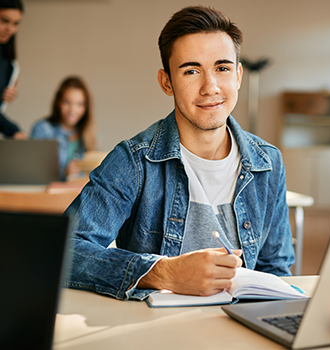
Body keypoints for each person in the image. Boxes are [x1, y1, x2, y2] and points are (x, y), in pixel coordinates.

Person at [65, 5, 294, 301]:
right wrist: (164, 272)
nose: (210, 87)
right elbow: (65, 249)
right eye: (191, 70)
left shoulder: (268, 162)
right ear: (166, 82)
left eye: (222, 68)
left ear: (238, 76)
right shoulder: (133, 160)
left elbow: (275, 271)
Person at [31, 76, 96, 180]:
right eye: (67, 102)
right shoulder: (43, 129)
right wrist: (64, 173)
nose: (73, 110)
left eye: (79, 104)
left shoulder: (89, 134)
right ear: (58, 102)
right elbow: (33, 172)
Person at [0, 0, 26, 139]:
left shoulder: (8, 64)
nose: (10, 29)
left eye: (16, 23)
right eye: (4, 21)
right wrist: (12, 130)